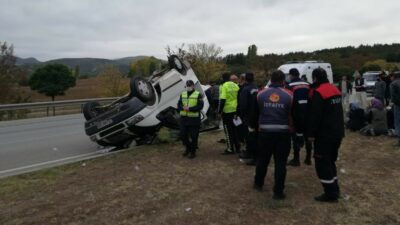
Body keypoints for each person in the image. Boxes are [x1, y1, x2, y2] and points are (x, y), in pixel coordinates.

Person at [250, 70, 293, 200]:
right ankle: (278, 192)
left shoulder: (260, 93)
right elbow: (294, 114)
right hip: (283, 134)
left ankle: (258, 183)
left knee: (262, 159)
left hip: (264, 133)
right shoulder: (290, 95)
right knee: (280, 163)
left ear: (271, 79)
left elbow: (254, 114)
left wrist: (253, 127)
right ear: (283, 81)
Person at [307, 68, 344, 202]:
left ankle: (330, 194)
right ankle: (335, 188)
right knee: (330, 161)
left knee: (322, 163)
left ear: (315, 78)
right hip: (338, 132)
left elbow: (315, 116)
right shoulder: (335, 90)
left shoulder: (319, 93)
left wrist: (311, 134)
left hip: (324, 134)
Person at [286, 68, 312, 166]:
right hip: (308, 115)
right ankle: (308, 158)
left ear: (291, 75)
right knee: (307, 136)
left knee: (296, 136)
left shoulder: (289, 86)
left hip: (295, 115)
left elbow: (289, 101)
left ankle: (296, 159)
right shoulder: (307, 84)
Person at [177, 80, 204, 159]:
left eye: (190, 85)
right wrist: (182, 108)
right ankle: (188, 148)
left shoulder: (198, 94)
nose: (188, 87)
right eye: (187, 85)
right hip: (184, 119)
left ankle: (193, 152)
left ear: (193, 86)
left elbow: (200, 106)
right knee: (183, 135)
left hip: (194, 119)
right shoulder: (183, 94)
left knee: (194, 136)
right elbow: (179, 104)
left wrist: (190, 109)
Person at [238, 72, 259, 166]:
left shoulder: (245, 89)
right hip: (256, 116)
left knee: (250, 137)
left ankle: (253, 156)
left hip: (247, 117)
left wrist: (240, 115)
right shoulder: (256, 88)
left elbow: (243, 105)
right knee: (253, 136)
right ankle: (249, 153)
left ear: (245, 79)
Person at [219, 72, 241, 154]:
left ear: (223, 78)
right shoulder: (235, 85)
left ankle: (230, 149)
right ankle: (237, 147)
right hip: (235, 110)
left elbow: (223, 99)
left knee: (228, 131)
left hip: (227, 111)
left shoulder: (224, 85)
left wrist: (219, 111)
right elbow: (239, 97)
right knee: (235, 129)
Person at [390, 71, 400, 146]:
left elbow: (393, 96)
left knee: (397, 121)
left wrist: (394, 102)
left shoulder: (393, 84)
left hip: (398, 105)